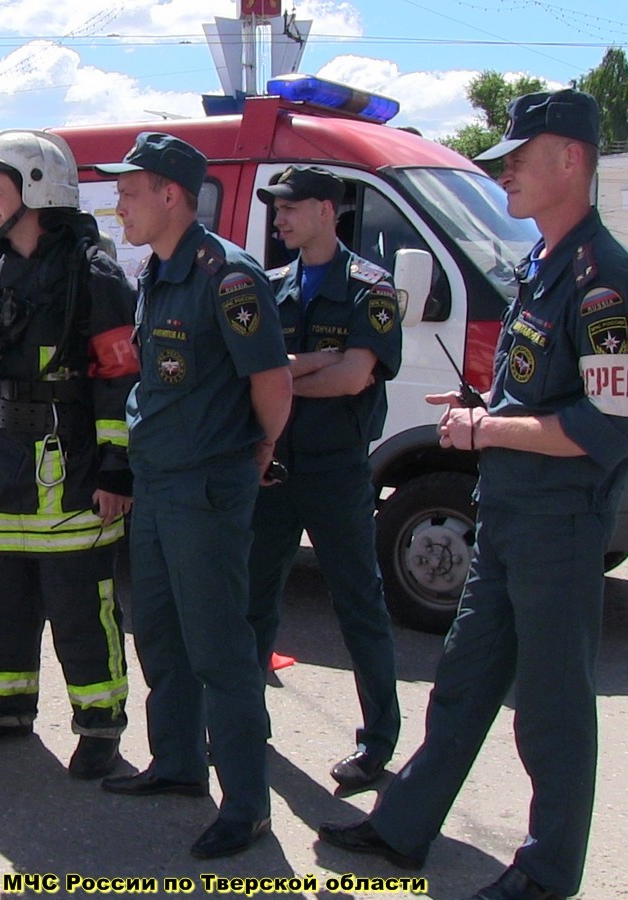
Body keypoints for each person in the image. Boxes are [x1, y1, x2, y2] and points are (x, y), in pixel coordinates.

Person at [317, 89, 628, 900]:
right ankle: (402, 830)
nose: (504, 169)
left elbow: (602, 428)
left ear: (571, 159)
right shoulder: (542, 262)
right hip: (507, 518)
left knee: (552, 710)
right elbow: (534, 398)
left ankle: (546, 872)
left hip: (558, 527)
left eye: (520, 155)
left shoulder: (604, 279)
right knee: (462, 682)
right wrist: (483, 417)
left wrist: (483, 432)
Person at [95, 133, 292, 858]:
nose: (119, 204)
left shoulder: (227, 276)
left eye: (130, 191)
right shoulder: (157, 271)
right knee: (163, 636)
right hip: (156, 483)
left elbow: (272, 383)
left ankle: (247, 804)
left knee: (220, 647)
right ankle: (177, 763)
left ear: (171, 195)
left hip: (206, 485)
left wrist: (259, 448)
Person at [0, 129, 139, 780]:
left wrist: (116, 467)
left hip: (68, 472)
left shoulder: (91, 275)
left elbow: (118, 377)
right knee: (4, 603)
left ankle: (100, 724)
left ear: (39, 191)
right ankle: (5, 707)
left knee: (81, 612)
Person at [246, 166, 402, 792]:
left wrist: (286, 372)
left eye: (289, 206)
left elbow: (354, 377)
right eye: (275, 207)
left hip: (337, 471)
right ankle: (244, 723)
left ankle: (377, 742)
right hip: (275, 465)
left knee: (359, 604)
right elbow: (257, 376)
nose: (278, 217)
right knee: (254, 602)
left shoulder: (371, 288)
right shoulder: (270, 284)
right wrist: (315, 365)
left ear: (325, 211)